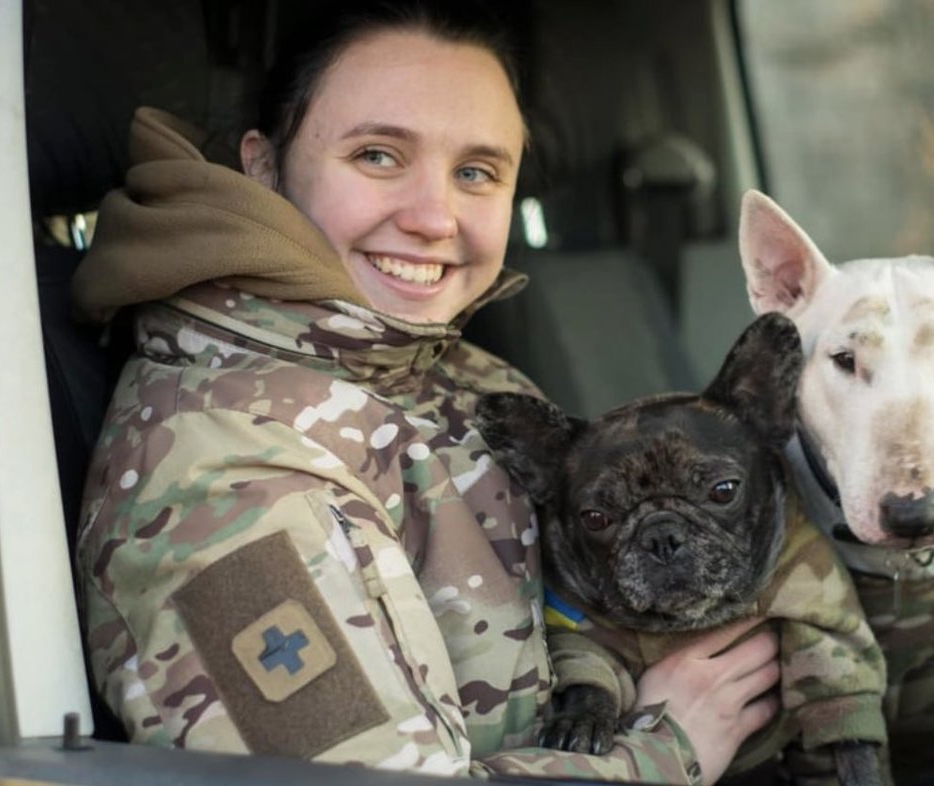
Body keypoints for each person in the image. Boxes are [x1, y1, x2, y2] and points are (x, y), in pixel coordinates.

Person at [71, 2, 778, 784]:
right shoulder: (228, 481)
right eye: (377, 156)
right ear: (264, 167)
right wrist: (663, 749)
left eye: (476, 173)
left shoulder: (460, 375)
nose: (435, 217)